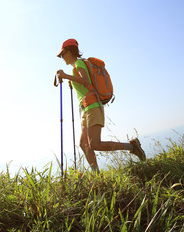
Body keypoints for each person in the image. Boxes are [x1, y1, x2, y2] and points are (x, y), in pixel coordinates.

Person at [56, 38, 146, 173]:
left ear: (69, 52)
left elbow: (85, 80)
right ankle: (96, 176)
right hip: (86, 108)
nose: (62, 58)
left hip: (92, 106)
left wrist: (66, 76)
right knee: (83, 144)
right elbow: (83, 82)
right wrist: (72, 81)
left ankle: (132, 147)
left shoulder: (79, 63)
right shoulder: (76, 68)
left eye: (63, 54)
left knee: (95, 144)